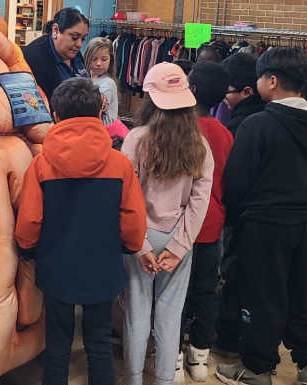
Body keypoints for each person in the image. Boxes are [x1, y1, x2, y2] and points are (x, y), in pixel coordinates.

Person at [15, 78, 147, 385]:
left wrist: (27, 249)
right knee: (99, 341)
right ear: (100, 112)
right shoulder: (120, 164)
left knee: (57, 342)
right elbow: (133, 219)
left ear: (56, 115)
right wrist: (129, 245)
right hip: (103, 267)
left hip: (56, 268)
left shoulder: (40, 166)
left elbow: (30, 220)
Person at [216, 48, 307, 385]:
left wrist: (234, 220)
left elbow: (236, 181)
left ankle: (257, 367)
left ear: (271, 81)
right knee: (305, 289)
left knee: (263, 292)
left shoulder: (257, 124)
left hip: (265, 223)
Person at [121, 63, 214, 385]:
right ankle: (164, 380)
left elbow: (126, 197)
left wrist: (140, 245)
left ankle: (133, 379)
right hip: (178, 235)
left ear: (150, 97)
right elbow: (199, 202)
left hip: (141, 235)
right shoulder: (200, 145)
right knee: (171, 314)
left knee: (136, 311)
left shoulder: (136, 139)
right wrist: (180, 246)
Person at [181, 62, 233, 382]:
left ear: (192, 89)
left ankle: (172, 355)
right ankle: (200, 354)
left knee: (175, 292)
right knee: (205, 289)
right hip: (212, 224)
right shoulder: (225, 134)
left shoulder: (178, 128)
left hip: (179, 225)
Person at [214, 52, 266, 361]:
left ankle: (230, 339)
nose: (225, 98)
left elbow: (232, 178)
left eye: (228, 92)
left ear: (247, 91)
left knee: (235, 274)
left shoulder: (241, 125)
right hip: (266, 218)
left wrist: (229, 212)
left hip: (243, 216)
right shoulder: (267, 117)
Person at [22, 8, 90, 104]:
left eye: (83, 39)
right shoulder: (35, 58)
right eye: (74, 37)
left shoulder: (74, 53)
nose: (79, 44)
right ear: (56, 30)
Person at [221, 53, 266, 137]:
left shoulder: (237, 126)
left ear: (247, 92)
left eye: (226, 91)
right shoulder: (271, 113)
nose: (222, 97)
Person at [84, 37, 119, 126]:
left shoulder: (107, 83)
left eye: (104, 59)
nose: (98, 63)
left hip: (104, 130)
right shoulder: (86, 79)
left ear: (110, 60)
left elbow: (93, 110)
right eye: (94, 59)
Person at [198, 40, 233, 126]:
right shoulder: (194, 87)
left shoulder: (225, 96)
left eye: (209, 64)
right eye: (199, 62)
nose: (202, 68)